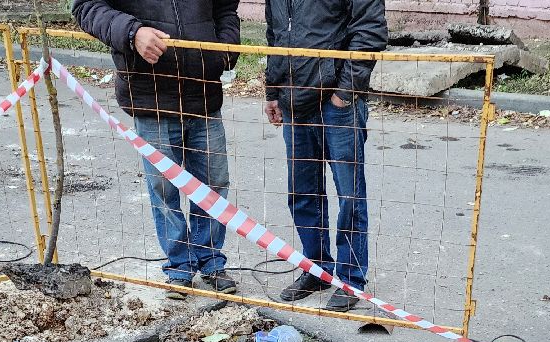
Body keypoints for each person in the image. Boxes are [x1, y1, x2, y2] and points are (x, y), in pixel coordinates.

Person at [74, 0, 241, 297]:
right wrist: (132, 33)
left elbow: (226, 9)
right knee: (164, 189)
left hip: (203, 95)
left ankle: (211, 262)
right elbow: (86, 7)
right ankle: (179, 266)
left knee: (214, 185)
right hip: (151, 96)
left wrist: (225, 49)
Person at [262, 0, 387, 314]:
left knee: (350, 197)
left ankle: (350, 279)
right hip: (294, 99)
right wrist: (273, 90)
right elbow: (276, 35)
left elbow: (370, 31)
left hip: (337, 105)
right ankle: (317, 270)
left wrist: (345, 93)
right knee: (303, 194)